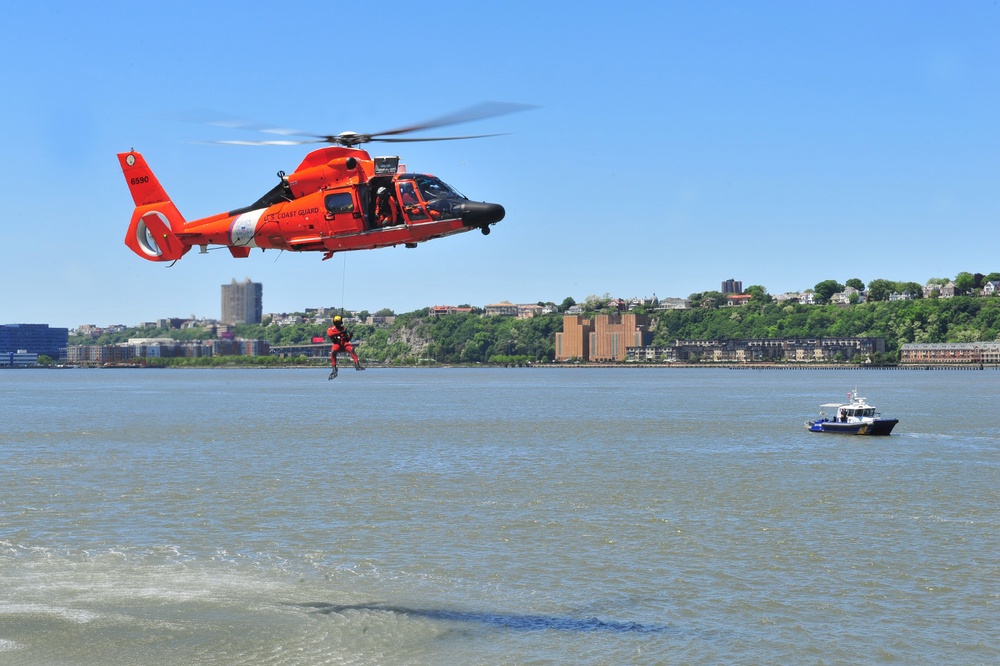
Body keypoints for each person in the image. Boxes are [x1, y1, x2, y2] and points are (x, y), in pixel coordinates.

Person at [327, 314, 363, 379]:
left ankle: (357, 365)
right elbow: (330, 334)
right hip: (337, 344)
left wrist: (350, 336)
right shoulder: (331, 329)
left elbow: (347, 339)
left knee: (352, 349)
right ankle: (334, 368)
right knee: (333, 352)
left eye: (339, 322)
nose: (339, 324)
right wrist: (340, 332)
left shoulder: (343, 328)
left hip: (344, 343)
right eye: (337, 323)